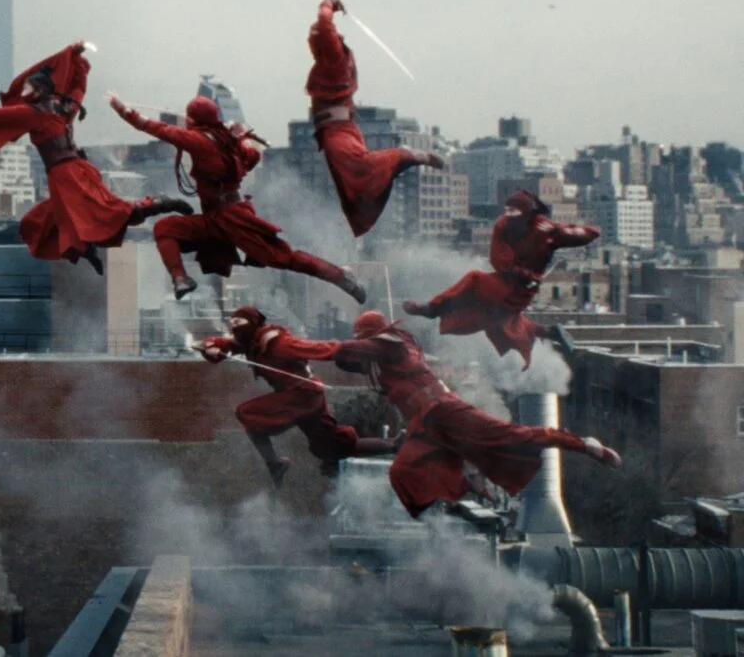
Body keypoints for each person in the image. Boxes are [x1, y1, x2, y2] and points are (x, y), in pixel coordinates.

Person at [332, 310, 620, 518]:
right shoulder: (383, 364)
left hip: (443, 411)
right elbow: (348, 361)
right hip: (425, 424)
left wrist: (312, 349)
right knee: (402, 474)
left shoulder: (396, 349)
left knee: (513, 435)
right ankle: (458, 495)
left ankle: (584, 444)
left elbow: (347, 352)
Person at [0, 42, 191, 272]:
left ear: (38, 90)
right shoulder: (62, 109)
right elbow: (78, 90)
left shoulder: (34, 113)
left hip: (67, 175)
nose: (23, 91)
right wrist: (77, 63)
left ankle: (160, 203)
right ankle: (85, 247)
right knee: (49, 221)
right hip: (73, 171)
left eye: (28, 87)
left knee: (106, 212)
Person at [109, 92, 365, 302]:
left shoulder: (201, 140)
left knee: (281, 257)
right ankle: (180, 279)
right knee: (165, 228)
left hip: (231, 218)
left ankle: (339, 275)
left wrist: (122, 109)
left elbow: (157, 128)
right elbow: (253, 158)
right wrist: (241, 139)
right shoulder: (226, 140)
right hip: (217, 217)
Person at [196, 305, 399, 488]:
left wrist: (357, 349)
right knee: (329, 447)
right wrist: (210, 345)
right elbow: (227, 344)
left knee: (246, 413)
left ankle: (274, 463)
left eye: (238, 322)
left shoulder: (278, 343)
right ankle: (396, 445)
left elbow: (318, 349)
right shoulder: (252, 342)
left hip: (302, 395)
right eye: (232, 323)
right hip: (306, 398)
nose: (234, 327)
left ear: (253, 323)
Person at [403, 189, 601, 367]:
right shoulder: (502, 225)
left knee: (474, 279)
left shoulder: (544, 229)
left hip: (522, 290)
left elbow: (584, 233)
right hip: (505, 282)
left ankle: (433, 309)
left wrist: (568, 231)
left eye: (513, 211)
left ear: (526, 213)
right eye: (507, 210)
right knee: (495, 319)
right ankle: (548, 331)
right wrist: (517, 272)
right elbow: (497, 257)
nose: (508, 215)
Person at [306, 0, 444, 236]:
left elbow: (324, 27)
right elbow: (320, 30)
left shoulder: (334, 59)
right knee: (350, 183)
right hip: (334, 129)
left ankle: (409, 156)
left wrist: (328, 4)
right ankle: (400, 164)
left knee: (361, 169)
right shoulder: (331, 59)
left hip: (337, 130)